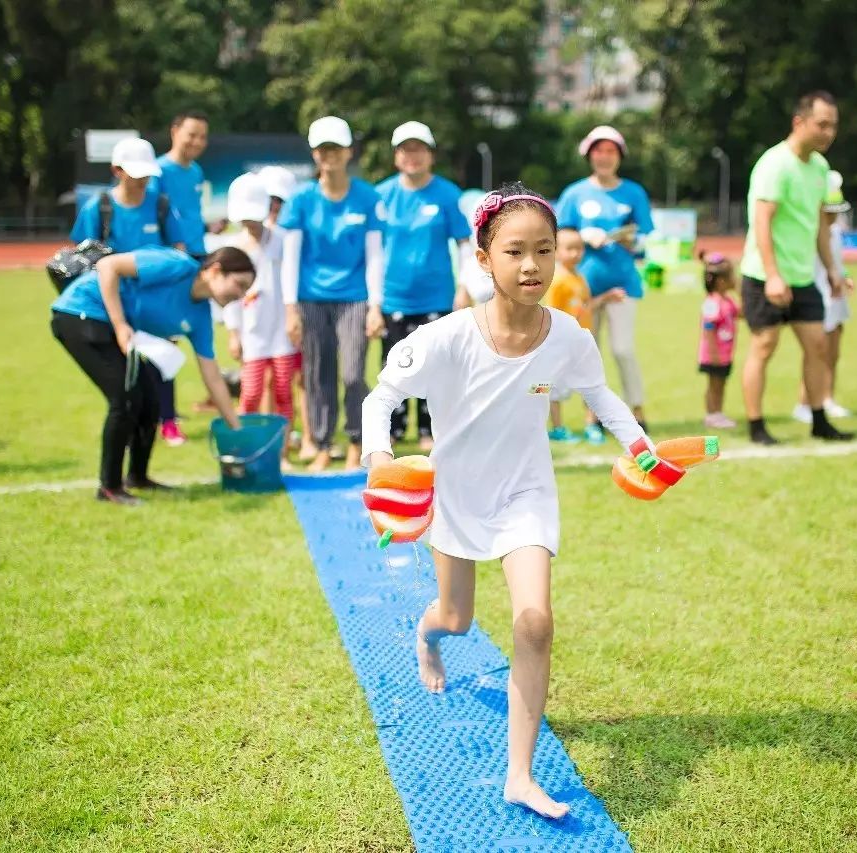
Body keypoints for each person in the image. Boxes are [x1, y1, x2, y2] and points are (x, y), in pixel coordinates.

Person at [360, 182, 650, 820]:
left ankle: (519, 775)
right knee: (456, 618)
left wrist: (642, 450)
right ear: (483, 259)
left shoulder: (568, 336)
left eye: (543, 251)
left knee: (534, 621)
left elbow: (601, 396)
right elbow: (379, 399)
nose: (531, 266)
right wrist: (379, 460)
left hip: (525, 494)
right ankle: (427, 635)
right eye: (514, 251)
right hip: (455, 498)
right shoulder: (445, 337)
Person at [50, 246, 253, 505]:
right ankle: (110, 488)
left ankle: (138, 477)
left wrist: (236, 428)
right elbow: (108, 266)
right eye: (240, 284)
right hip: (81, 313)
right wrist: (121, 324)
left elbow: (211, 374)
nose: (242, 295)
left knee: (150, 400)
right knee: (125, 398)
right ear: (215, 271)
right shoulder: (177, 265)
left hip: (110, 327)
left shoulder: (200, 314)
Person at [739, 91, 852, 445]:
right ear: (799, 122)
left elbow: (819, 224)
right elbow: (762, 223)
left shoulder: (820, 168)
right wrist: (773, 275)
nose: (828, 133)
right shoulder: (775, 164)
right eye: (822, 124)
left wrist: (832, 269)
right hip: (764, 275)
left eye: (833, 125)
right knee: (764, 345)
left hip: (804, 276)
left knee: (818, 345)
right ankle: (757, 426)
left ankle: (819, 419)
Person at [282, 116, 386, 472]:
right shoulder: (300, 200)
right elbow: (290, 258)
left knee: (353, 374)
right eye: (323, 149)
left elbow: (374, 256)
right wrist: (290, 308)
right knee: (317, 374)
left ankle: (358, 441)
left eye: (336, 149)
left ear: (348, 152)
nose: (330, 155)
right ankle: (324, 444)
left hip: (355, 298)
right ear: (315, 154)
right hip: (311, 299)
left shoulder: (368, 197)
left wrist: (375, 306)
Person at [376, 121, 474, 451]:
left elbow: (465, 244)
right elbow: (373, 250)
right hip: (394, 298)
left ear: (430, 155)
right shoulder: (383, 195)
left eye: (419, 149)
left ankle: (429, 430)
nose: (412, 156)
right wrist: (374, 301)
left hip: (437, 297)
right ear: (396, 156)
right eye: (405, 149)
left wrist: (464, 287)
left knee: (435, 367)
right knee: (394, 367)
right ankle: (393, 429)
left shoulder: (448, 194)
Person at [555, 125, 654, 441]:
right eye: (598, 150)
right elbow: (560, 237)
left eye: (611, 150)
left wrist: (631, 243)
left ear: (620, 156)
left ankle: (637, 412)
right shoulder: (574, 194)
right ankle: (592, 417)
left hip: (624, 286)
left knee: (623, 350)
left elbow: (644, 240)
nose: (604, 156)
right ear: (589, 155)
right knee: (588, 354)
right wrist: (583, 237)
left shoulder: (633, 193)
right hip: (582, 288)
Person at [221, 174, 300, 466]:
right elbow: (231, 297)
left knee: (283, 391)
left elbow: (290, 279)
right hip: (252, 334)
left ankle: (281, 453)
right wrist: (233, 332)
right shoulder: (234, 246)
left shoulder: (282, 239)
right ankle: (246, 449)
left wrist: (293, 318)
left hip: (281, 331)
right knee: (251, 393)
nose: (251, 225)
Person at [149, 111, 211, 447]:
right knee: (166, 341)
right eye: (191, 134)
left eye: (203, 136)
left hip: (198, 260)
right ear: (174, 131)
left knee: (201, 336)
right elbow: (155, 216)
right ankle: (167, 420)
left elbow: (190, 214)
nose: (197, 142)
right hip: (171, 265)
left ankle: (169, 410)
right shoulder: (157, 171)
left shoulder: (197, 172)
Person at [545, 226, 625, 440]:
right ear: (555, 251)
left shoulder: (579, 277)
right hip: (561, 344)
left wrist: (606, 296)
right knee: (552, 387)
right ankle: (558, 428)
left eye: (579, 248)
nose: (576, 253)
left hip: (582, 342)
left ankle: (591, 425)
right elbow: (550, 313)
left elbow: (586, 305)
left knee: (591, 383)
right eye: (569, 249)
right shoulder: (556, 280)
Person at [258, 165, 312, 454]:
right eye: (270, 200)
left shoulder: (298, 233)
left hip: (299, 314)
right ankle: (273, 442)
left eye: (281, 201)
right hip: (268, 320)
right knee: (269, 381)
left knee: (305, 379)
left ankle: (308, 438)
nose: (275, 207)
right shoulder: (258, 234)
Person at [793, 170, 852, 424]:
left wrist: (843, 276)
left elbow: (836, 262)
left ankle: (827, 397)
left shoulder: (836, 233)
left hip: (836, 297)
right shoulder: (808, 234)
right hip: (817, 296)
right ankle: (805, 402)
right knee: (816, 350)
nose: (832, 216)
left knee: (833, 350)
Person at [70, 137, 180, 253]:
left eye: (147, 174)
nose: (143, 180)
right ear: (116, 170)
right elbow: (83, 252)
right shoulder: (96, 207)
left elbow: (178, 247)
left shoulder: (162, 205)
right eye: (136, 174)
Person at [699, 252, 739, 429]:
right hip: (713, 355)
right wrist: (713, 352)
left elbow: (742, 313)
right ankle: (712, 414)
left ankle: (718, 412)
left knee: (721, 384)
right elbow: (708, 328)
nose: (734, 279)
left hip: (725, 354)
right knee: (713, 385)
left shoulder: (727, 301)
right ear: (721, 281)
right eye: (731, 276)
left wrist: (739, 291)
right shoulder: (712, 302)